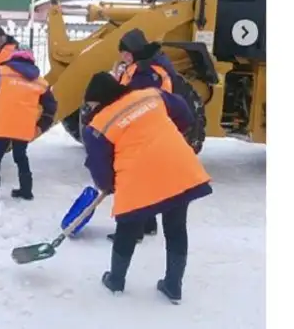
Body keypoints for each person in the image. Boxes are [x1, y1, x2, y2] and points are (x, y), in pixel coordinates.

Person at [82, 72, 212, 304]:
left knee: (128, 228)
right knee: (176, 227)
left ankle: (116, 280)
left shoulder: (98, 126)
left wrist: (108, 185)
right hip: (178, 167)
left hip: (138, 178)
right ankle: (173, 286)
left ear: (99, 100)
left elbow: (99, 166)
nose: (90, 109)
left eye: (91, 104)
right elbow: (184, 112)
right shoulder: (150, 95)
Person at [107, 28, 183, 241]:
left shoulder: (146, 72)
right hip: (150, 129)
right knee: (146, 178)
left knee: (135, 181)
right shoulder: (144, 67)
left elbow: (135, 100)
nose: (123, 57)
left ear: (133, 50)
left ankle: (135, 230)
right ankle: (148, 224)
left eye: (125, 52)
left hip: (142, 130)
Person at [0, 47, 57, 203]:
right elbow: (51, 107)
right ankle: (26, 190)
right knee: (20, 156)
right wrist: (41, 125)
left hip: (2, 124)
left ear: (14, 58)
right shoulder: (40, 82)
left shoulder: (2, 72)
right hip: (23, 127)